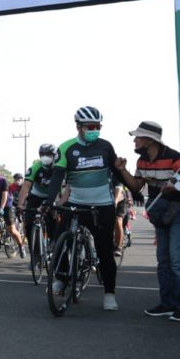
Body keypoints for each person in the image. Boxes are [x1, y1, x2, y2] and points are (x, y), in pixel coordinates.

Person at [45, 106, 123, 311]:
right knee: (59, 243)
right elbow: (57, 177)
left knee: (105, 251)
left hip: (102, 205)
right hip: (75, 203)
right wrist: (49, 200)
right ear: (78, 126)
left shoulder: (106, 146)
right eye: (90, 126)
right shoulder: (67, 147)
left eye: (98, 126)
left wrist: (134, 189)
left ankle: (109, 293)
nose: (94, 129)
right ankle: (61, 278)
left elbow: (117, 172)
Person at [115, 120, 180, 322]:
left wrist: (175, 187)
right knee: (163, 261)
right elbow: (136, 187)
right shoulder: (142, 162)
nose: (135, 140)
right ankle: (167, 304)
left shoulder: (176, 158)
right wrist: (122, 170)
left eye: (138, 137)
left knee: (178, 261)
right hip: (160, 213)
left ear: (150, 140)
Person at [19, 144, 59, 248]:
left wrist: (58, 203)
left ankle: (53, 242)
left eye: (49, 154)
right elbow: (26, 187)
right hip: (36, 196)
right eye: (43, 154)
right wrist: (21, 204)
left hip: (53, 196)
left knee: (53, 220)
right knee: (28, 222)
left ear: (55, 155)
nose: (45, 157)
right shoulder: (35, 168)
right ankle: (33, 250)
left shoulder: (59, 168)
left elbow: (64, 186)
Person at [0, 164, 26, 257]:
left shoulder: (3, 181)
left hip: (7, 205)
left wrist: (2, 208)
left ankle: (21, 246)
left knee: (11, 229)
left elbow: (5, 195)